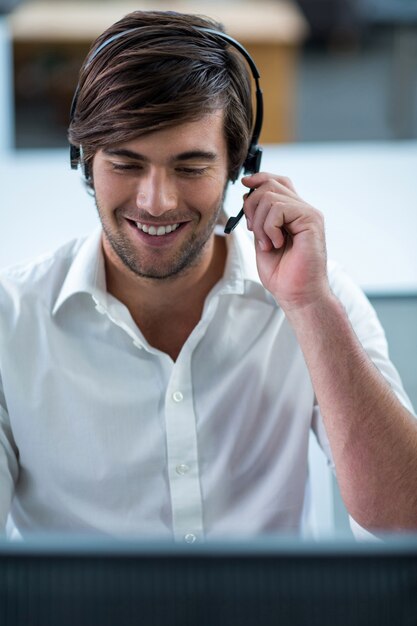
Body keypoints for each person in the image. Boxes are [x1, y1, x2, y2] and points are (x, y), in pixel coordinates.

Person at [0, 10, 416, 542]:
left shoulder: (318, 298)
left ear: (239, 167)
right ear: (84, 158)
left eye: (190, 167)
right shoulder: (14, 319)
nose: (157, 201)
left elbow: (405, 519)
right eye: (126, 164)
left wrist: (310, 307)